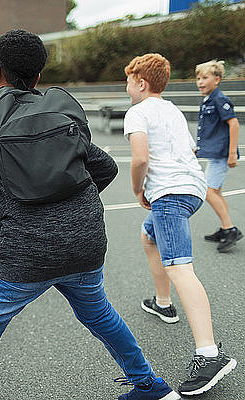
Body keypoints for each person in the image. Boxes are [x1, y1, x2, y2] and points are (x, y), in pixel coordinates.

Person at [0, 30, 180, 400]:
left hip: (24, 251)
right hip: (85, 240)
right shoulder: (57, 111)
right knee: (99, 315)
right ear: (38, 77)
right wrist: (73, 206)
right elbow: (105, 167)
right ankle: (150, 386)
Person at [124, 53, 236, 396]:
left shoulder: (137, 112)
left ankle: (209, 354)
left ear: (141, 83)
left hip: (169, 194)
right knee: (148, 236)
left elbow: (140, 158)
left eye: (129, 81)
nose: (127, 87)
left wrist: (138, 188)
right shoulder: (172, 109)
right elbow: (188, 148)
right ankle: (162, 302)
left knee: (180, 268)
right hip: (191, 190)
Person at [194, 60, 241, 252]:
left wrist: (232, 153)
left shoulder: (219, 99)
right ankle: (225, 228)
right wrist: (199, 148)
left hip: (222, 155)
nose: (200, 82)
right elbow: (212, 130)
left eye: (205, 78)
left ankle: (230, 229)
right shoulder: (208, 99)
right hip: (214, 154)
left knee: (208, 191)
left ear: (217, 79)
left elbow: (234, 124)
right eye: (198, 78)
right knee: (216, 192)